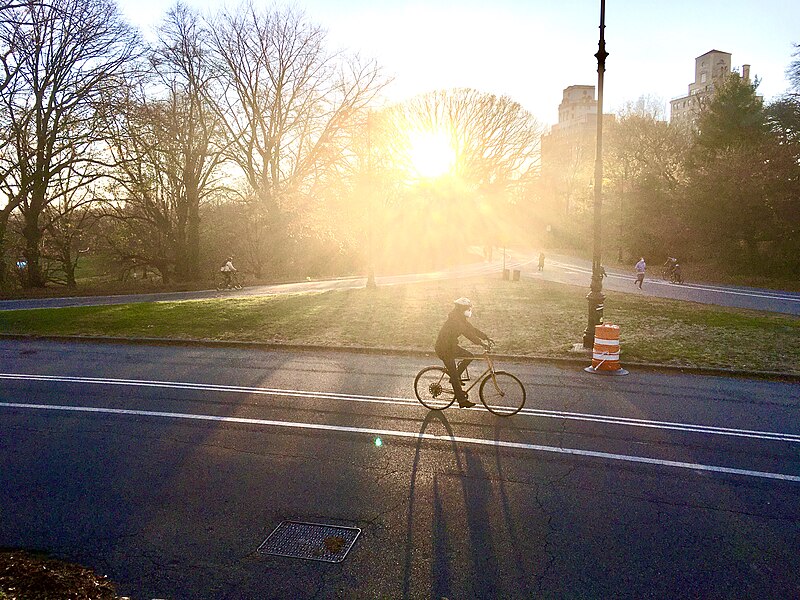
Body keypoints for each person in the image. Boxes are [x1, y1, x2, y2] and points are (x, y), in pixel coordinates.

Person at [435, 297, 492, 408]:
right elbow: (468, 334)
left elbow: (472, 329)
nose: (469, 310)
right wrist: (481, 343)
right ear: (461, 309)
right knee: (455, 375)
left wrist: (485, 337)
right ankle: (461, 400)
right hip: (443, 349)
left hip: (450, 347)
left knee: (469, 356)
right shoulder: (455, 321)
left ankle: (454, 377)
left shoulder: (460, 318)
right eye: (468, 308)